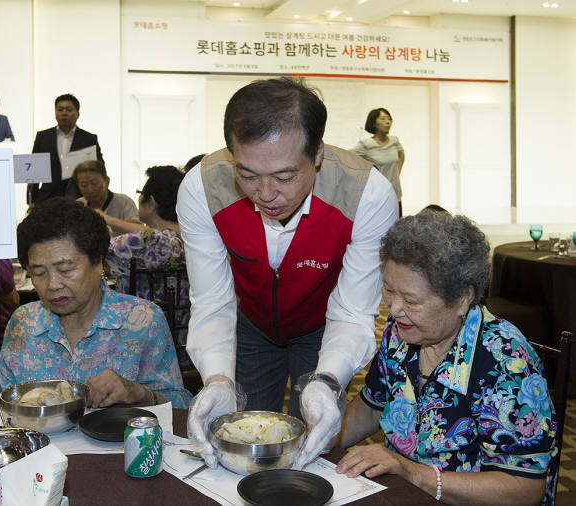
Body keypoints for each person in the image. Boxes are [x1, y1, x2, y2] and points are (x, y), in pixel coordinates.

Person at [177, 77, 398, 470]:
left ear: (317, 155)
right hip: (251, 323)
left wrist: (329, 381)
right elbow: (212, 300)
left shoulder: (368, 194)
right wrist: (216, 380)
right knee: (241, 435)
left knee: (314, 439)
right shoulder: (201, 188)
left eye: (284, 176)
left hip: (323, 324)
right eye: (246, 174)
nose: (265, 193)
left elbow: (352, 311)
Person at [335, 210, 556, 505]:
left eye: (411, 299)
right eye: (389, 289)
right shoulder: (401, 332)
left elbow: (524, 489)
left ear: (463, 299)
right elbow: (372, 406)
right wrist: (318, 440)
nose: (394, 308)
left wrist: (413, 473)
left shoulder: (506, 363)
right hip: (406, 494)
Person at [0, 198, 192, 409]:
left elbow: (180, 405)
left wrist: (138, 393)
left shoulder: (142, 319)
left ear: (98, 262)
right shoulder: (24, 322)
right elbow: (10, 410)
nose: (53, 284)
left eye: (65, 269)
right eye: (39, 273)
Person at [105, 166, 189, 366]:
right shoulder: (194, 237)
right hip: (188, 343)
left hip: (143, 347)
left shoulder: (144, 241)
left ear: (151, 202)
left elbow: (90, 252)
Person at [28, 94, 103, 204]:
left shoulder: (89, 138)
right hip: (47, 196)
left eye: (69, 110)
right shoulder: (43, 137)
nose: (64, 113)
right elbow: (34, 170)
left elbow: (99, 166)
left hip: (79, 196)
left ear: (77, 114)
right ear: (55, 113)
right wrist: (31, 200)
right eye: (60, 109)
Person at [351, 108, 405, 216]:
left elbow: (402, 155)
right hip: (377, 196)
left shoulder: (394, 141)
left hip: (395, 192)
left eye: (389, 119)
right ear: (374, 123)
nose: (387, 122)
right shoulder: (365, 144)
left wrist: (397, 172)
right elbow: (350, 158)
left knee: (397, 229)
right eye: (383, 118)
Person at [72, 160, 139, 233]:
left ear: (107, 181)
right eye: (83, 185)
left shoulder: (124, 202)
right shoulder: (78, 205)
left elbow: (139, 228)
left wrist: (109, 221)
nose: (90, 190)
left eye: (94, 184)